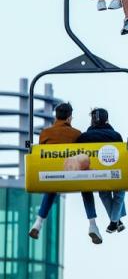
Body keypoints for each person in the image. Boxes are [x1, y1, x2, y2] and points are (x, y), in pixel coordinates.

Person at [28, 103, 81, 240]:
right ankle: (92, 224)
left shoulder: (45, 133)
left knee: (51, 188)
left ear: (56, 116)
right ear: (69, 118)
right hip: (72, 175)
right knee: (86, 189)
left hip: (50, 175)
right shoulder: (76, 134)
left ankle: (38, 223)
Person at [76, 108, 127, 236]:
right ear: (107, 120)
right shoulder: (116, 136)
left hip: (94, 175)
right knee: (120, 192)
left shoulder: (83, 137)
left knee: (104, 193)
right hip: (114, 173)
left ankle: (116, 221)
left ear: (92, 121)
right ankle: (115, 221)